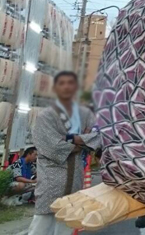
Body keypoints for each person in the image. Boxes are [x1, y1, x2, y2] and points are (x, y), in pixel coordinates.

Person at [27, 71, 100, 235]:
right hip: (51, 180)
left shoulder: (86, 114)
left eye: (71, 83)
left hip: (74, 178)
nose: (67, 87)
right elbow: (51, 146)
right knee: (41, 225)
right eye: (62, 83)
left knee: (66, 225)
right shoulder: (45, 116)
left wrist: (68, 138)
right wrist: (82, 141)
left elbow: (98, 137)